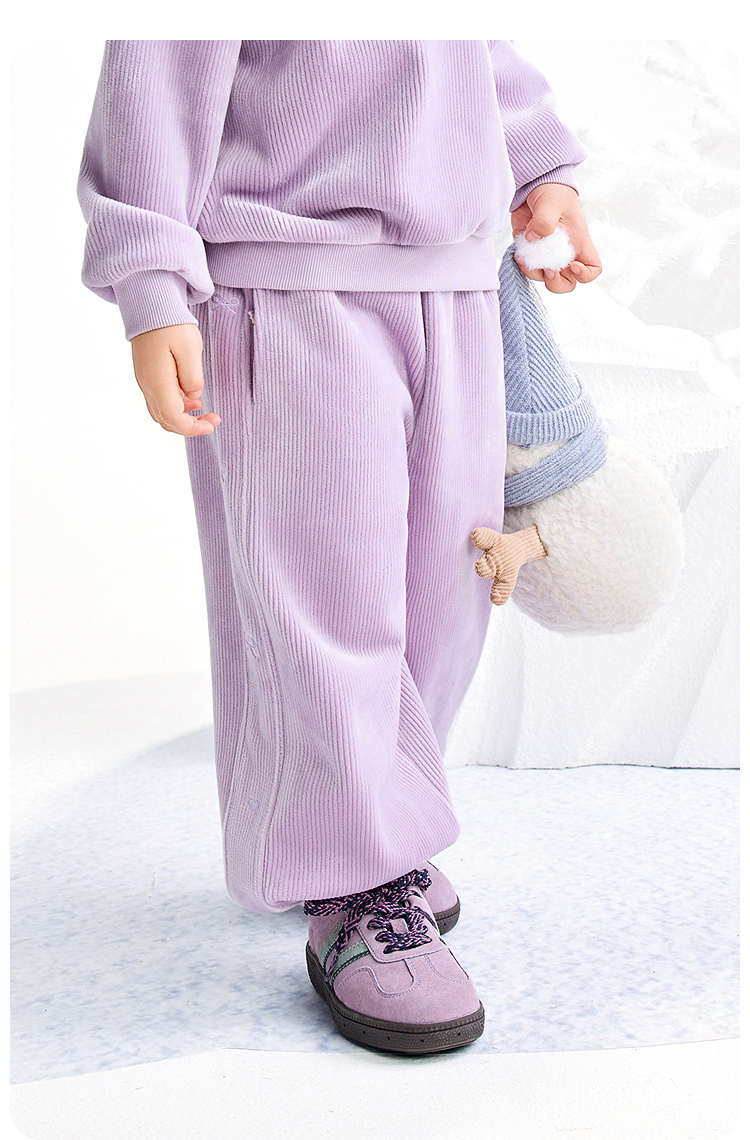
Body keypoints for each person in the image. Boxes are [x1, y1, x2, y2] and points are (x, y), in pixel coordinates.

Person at [77, 39, 602, 1055]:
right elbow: (156, 72)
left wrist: (540, 166)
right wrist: (150, 282)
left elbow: (465, 46)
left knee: (445, 596)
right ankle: (359, 878)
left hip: (457, 284)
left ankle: (368, 829)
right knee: (324, 603)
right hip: (290, 279)